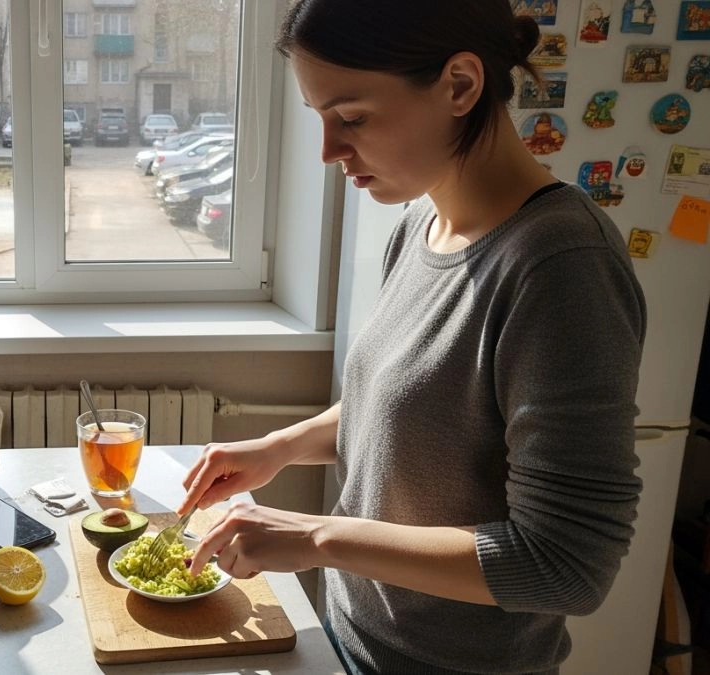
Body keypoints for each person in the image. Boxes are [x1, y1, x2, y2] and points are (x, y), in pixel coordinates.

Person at [179, 1, 646, 673]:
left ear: (459, 84)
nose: (328, 151)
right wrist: (279, 447)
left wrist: (316, 535)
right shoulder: (420, 226)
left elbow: (565, 566)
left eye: (353, 118)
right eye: (320, 119)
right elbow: (410, 406)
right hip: (349, 637)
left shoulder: (561, 266)